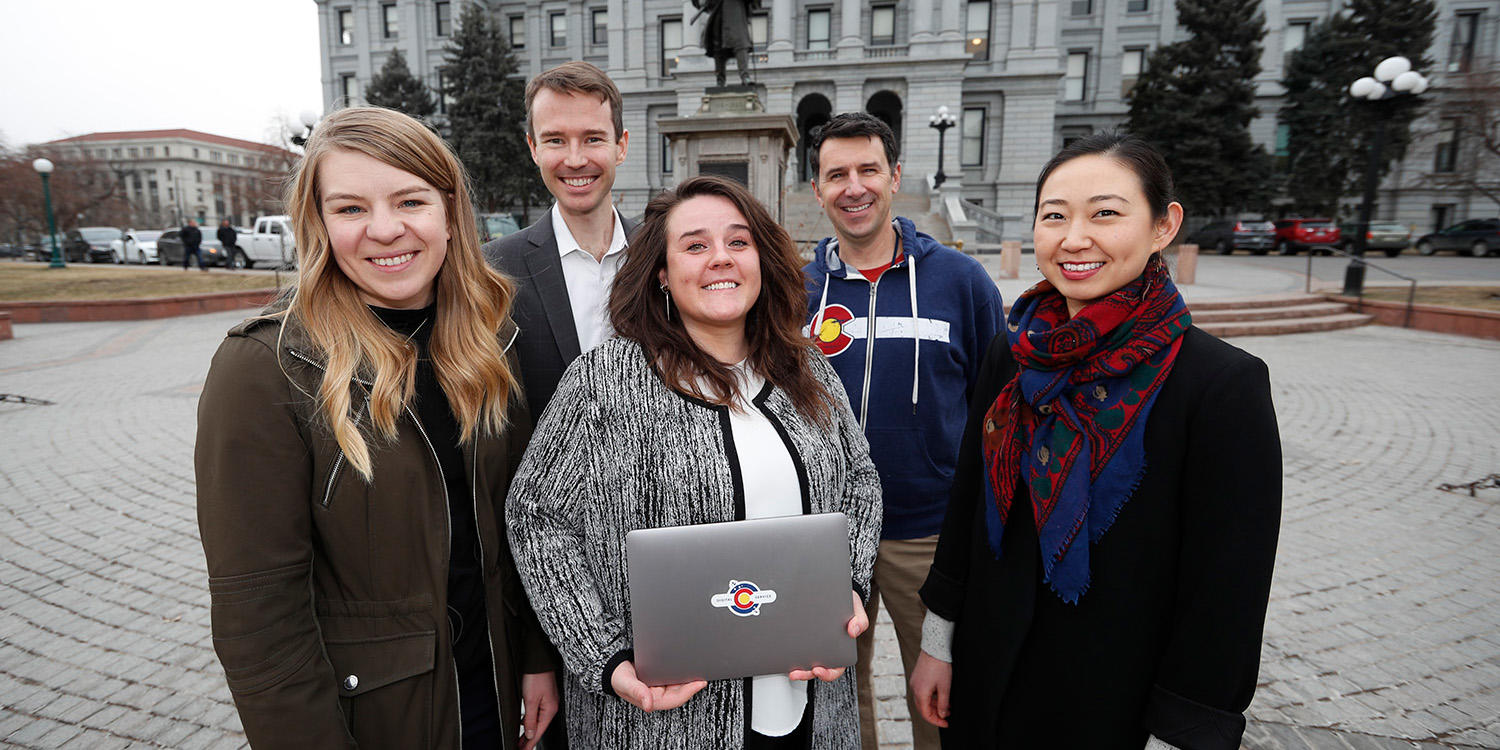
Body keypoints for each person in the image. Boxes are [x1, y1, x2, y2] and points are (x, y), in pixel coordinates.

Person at [195, 106, 558, 750]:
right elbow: (260, 618)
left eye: (410, 201)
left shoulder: (487, 339)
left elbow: (517, 525)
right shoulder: (267, 367)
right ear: (320, 223)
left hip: (494, 696)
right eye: (351, 209)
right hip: (374, 720)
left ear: (450, 212)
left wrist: (534, 657)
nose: (385, 230)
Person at [908, 132, 1282, 748]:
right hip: (987, 673)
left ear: (1164, 226)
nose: (1074, 238)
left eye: (1105, 213)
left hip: (1115, 697)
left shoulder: (1220, 384)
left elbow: (1228, 585)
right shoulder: (1013, 351)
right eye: (1055, 216)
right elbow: (969, 504)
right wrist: (939, 645)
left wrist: (1186, 728)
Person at [506, 175, 883, 749]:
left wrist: (847, 585)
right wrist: (603, 656)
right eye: (695, 245)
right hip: (661, 718)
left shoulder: (807, 370)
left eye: (738, 242)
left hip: (809, 703)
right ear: (661, 270)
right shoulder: (604, 381)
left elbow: (859, 481)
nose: (720, 260)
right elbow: (535, 518)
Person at [802, 111, 1002, 750]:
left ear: (893, 177)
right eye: (837, 174)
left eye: (867, 170)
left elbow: (997, 409)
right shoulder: (794, 290)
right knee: (835, 699)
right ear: (817, 190)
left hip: (931, 534)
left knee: (941, 697)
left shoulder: (960, 281)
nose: (853, 187)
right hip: (826, 537)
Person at [484, 61, 636, 420]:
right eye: (555, 140)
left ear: (621, 146)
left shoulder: (663, 257)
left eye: (593, 138)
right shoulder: (493, 269)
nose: (575, 159)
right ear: (533, 149)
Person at [691, 0, 756, 86]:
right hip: (717, 14)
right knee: (718, 47)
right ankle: (720, 79)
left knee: (741, 43)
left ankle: (745, 77)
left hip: (735, 11)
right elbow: (700, 3)